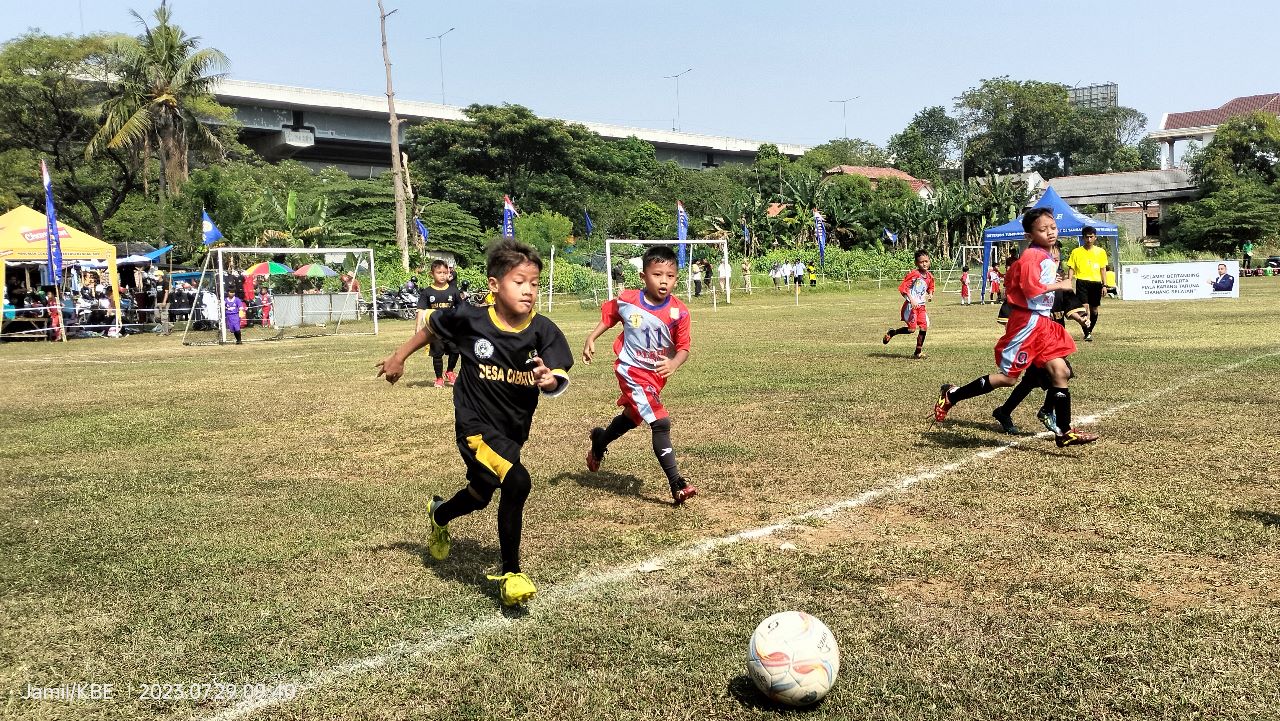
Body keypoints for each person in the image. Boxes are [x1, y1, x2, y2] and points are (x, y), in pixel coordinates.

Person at [375, 238, 573, 608]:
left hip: (512, 430)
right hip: (474, 426)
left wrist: (550, 378)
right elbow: (433, 327)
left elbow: (558, 367)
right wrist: (399, 356)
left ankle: (440, 514)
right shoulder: (471, 317)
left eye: (534, 283)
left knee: (481, 495)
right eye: (519, 282)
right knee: (517, 482)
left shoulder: (542, 330)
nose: (528, 290)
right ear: (495, 285)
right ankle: (512, 574)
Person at [932, 207, 1098, 448]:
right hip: (1027, 324)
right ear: (1030, 236)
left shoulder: (1046, 255)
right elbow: (1031, 290)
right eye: (1043, 230)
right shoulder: (1033, 257)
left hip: (1043, 322)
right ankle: (952, 395)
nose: (1050, 233)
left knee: (1060, 371)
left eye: (1052, 228)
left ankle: (1064, 431)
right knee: (1008, 379)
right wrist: (1060, 286)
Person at [582, 245, 697, 506]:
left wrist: (675, 363)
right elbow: (610, 315)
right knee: (660, 422)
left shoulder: (679, 312)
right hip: (630, 370)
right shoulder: (628, 300)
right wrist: (591, 337)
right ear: (644, 277)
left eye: (670, 276)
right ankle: (677, 483)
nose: (664, 281)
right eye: (658, 275)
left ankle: (600, 441)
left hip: (655, 377)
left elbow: (684, 348)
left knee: (632, 417)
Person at [991, 243, 1088, 435]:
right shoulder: (1029, 290)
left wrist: (1080, 319)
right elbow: (1009, 316)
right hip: (1034, 344)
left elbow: (1069, 309)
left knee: (1032, 381)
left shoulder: (1059, 288)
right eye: (1049, 260)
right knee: (1060, 374)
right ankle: (1047, 413)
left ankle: (1005, 411)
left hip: (1052, 343)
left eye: (1056, 260)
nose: (1053, 263)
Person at [882, 250, 935, 359]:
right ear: (916, 263)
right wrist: (912, 299)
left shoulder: (930, 276)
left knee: (924, 328)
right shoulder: (914, 274)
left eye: (926, 261)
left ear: (929, 262)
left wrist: (930, 294)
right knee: (911, 330)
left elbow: (931, 288)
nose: (924, 264)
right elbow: (903, 288)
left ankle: (918, 352)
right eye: (921, 262)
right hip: (911, 307)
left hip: (921, 307)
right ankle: (893, 332)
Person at [421, 259, 462, 388]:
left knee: (456, 350)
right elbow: (421, 310)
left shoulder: (453, 291)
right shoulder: (427, 292)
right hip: (435, 330)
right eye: (439, 272)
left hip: (451, 329)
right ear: (432, 274)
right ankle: (439, 378)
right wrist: (417, 327)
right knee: (437, 354)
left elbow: (461, 308)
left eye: (445, 272)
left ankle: (449, 372)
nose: (443, 275)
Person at [1066, 226, 1108, 341]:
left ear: (1095, 237)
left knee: (1094, 310)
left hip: (1096, 283)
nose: (1089, 239)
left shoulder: (1100, 252)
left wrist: (1105, 285)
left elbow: (1103, 269)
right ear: (1083, 238)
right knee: (1084, 309)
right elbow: (1071, 267)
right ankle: (1087, 333)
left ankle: (1089, 330)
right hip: (1082, 282)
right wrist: (1069, 281)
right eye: (1086, 237)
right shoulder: (1076, 252)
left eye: (1091, 237)